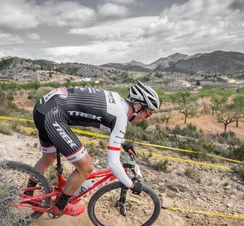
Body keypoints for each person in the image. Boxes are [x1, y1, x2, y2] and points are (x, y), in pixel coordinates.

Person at [29, 80, 160, 216]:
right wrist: (130, 185)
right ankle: (60, 207)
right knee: (86, 168)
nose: (146, 118)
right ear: (138, 107)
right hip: (53, 116)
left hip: (43, 108)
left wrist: (122, 142)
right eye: (148, 113)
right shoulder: (120, 116)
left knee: (48, 157)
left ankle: (28, 192)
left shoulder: (116, 100)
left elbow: (103, 121)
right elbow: (113, 164)